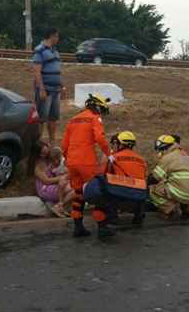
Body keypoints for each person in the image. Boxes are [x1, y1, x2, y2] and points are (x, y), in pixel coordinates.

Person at [61, 93, 111, 238]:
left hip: (71, 162)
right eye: (101, 109)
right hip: (86, 162)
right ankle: (102, 228)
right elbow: (100, 138)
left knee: (78, 194)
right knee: (98, 192)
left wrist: (68, 158)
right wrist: (109, 153)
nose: (101, 112)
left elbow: (64, 145)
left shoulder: (73, 120)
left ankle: (78, 227)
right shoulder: (94, 118)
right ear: (96, 106)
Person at [97, 131, 148, 233]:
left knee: (101, 186)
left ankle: (111, 217)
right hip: (138, 198)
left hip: (120, 197)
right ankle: (138, 216)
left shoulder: (113, 158)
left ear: (119, 144)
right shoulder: (142, 160)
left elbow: (102, 175)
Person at [147, 134, 189, 221]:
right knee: (177, 184)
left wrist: (144, 184)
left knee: (153, 188)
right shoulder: (184, 155)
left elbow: (155, 178)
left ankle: (168, 210)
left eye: (160, 150)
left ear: (164, 148)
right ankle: (185, 209)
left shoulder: (167, 157)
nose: (159, 152)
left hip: (181, 193)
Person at [32, 28, 64, 143]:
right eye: (57, 36)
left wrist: (62, 86)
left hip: (56, 90)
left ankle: (52, 142)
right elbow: (36, 72)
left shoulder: (55, 51)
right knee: (41, 118)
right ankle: (38, 143)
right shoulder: (39, 51)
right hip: (46, 89)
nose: (58, 39)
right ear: (52, 36)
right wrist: (41, 89)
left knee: (53, 118)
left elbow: (58, 70)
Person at [28, 140, 73, 218]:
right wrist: (61, 177)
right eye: (42, 153)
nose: (44, 155)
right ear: (37, 154)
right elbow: (46, 181)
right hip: (45, 188)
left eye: (46, 152)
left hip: (55, 184)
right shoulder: (37, 166)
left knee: (75, 187)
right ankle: (59, 206)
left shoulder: (51, 158)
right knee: (74, 188)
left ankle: (59, 206)